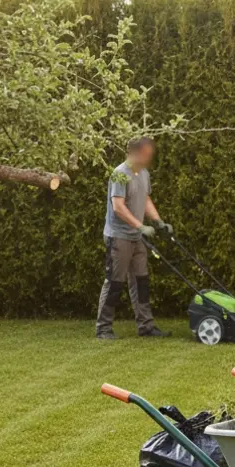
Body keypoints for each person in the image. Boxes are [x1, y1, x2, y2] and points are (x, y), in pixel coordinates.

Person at [95, 137, 173, 340]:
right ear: (135, 153)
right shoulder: (120, 174)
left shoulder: (144, 173)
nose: (149, 157)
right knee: (114, 282)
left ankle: (146, 326)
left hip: (136, 238)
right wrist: (140, 226)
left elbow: (145, 199)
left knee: (141, 281)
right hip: (118, 237)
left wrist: (158, 221)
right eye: (146, 153)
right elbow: (118, 207)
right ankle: (103, 328)